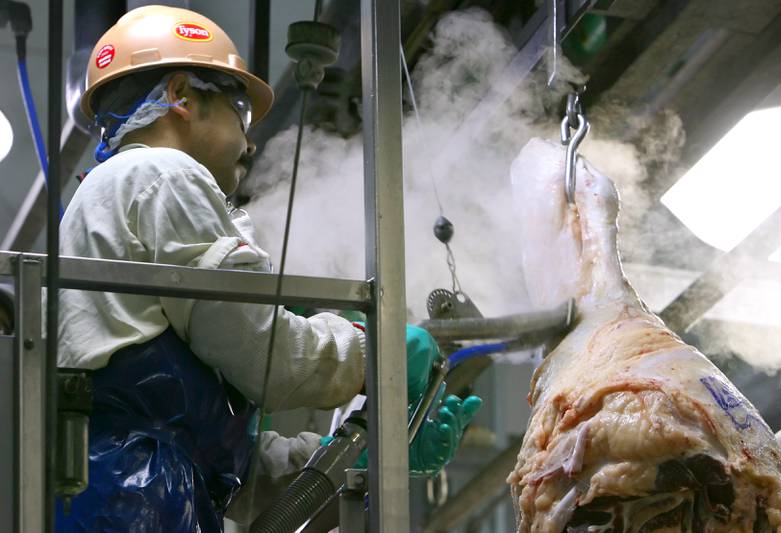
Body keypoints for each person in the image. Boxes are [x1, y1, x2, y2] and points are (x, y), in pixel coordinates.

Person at [56, 5, 481, 532]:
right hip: (138, 505)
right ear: (182, 96)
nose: (251, 140)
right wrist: (377, 350)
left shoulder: (118, 196)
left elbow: (235, 472)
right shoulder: (161, 173)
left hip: (138, 499)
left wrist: (364, 455)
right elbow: (268, 359)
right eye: (241, 112)